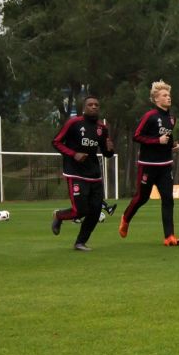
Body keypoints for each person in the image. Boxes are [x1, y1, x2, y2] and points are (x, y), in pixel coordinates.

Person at [120, 80, 179, 246]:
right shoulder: (149, 116)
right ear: (156, 99)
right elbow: (137, 136)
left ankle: (169, 236)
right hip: (148, 166)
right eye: (164, 95)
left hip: (165, 166)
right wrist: (158, 141)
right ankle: (126, 218)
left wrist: (173, 145)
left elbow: (166, 140)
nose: (168, 98)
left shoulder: (171, 118)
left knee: (168, 200)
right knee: (142, 198)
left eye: (169, 95)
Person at [51, 95, 115, 251]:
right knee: (80, 211)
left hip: (94, 174)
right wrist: (74, 154)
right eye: (90, 104)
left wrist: (110, 149)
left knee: (95, 211)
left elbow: (107, 154)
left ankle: (80, 242)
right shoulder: (74, 123)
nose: (94, 107)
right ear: (84, 108)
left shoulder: (102, 128)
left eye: (96, 105)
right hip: (75, 173)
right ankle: (59, 216)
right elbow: (56, 142)